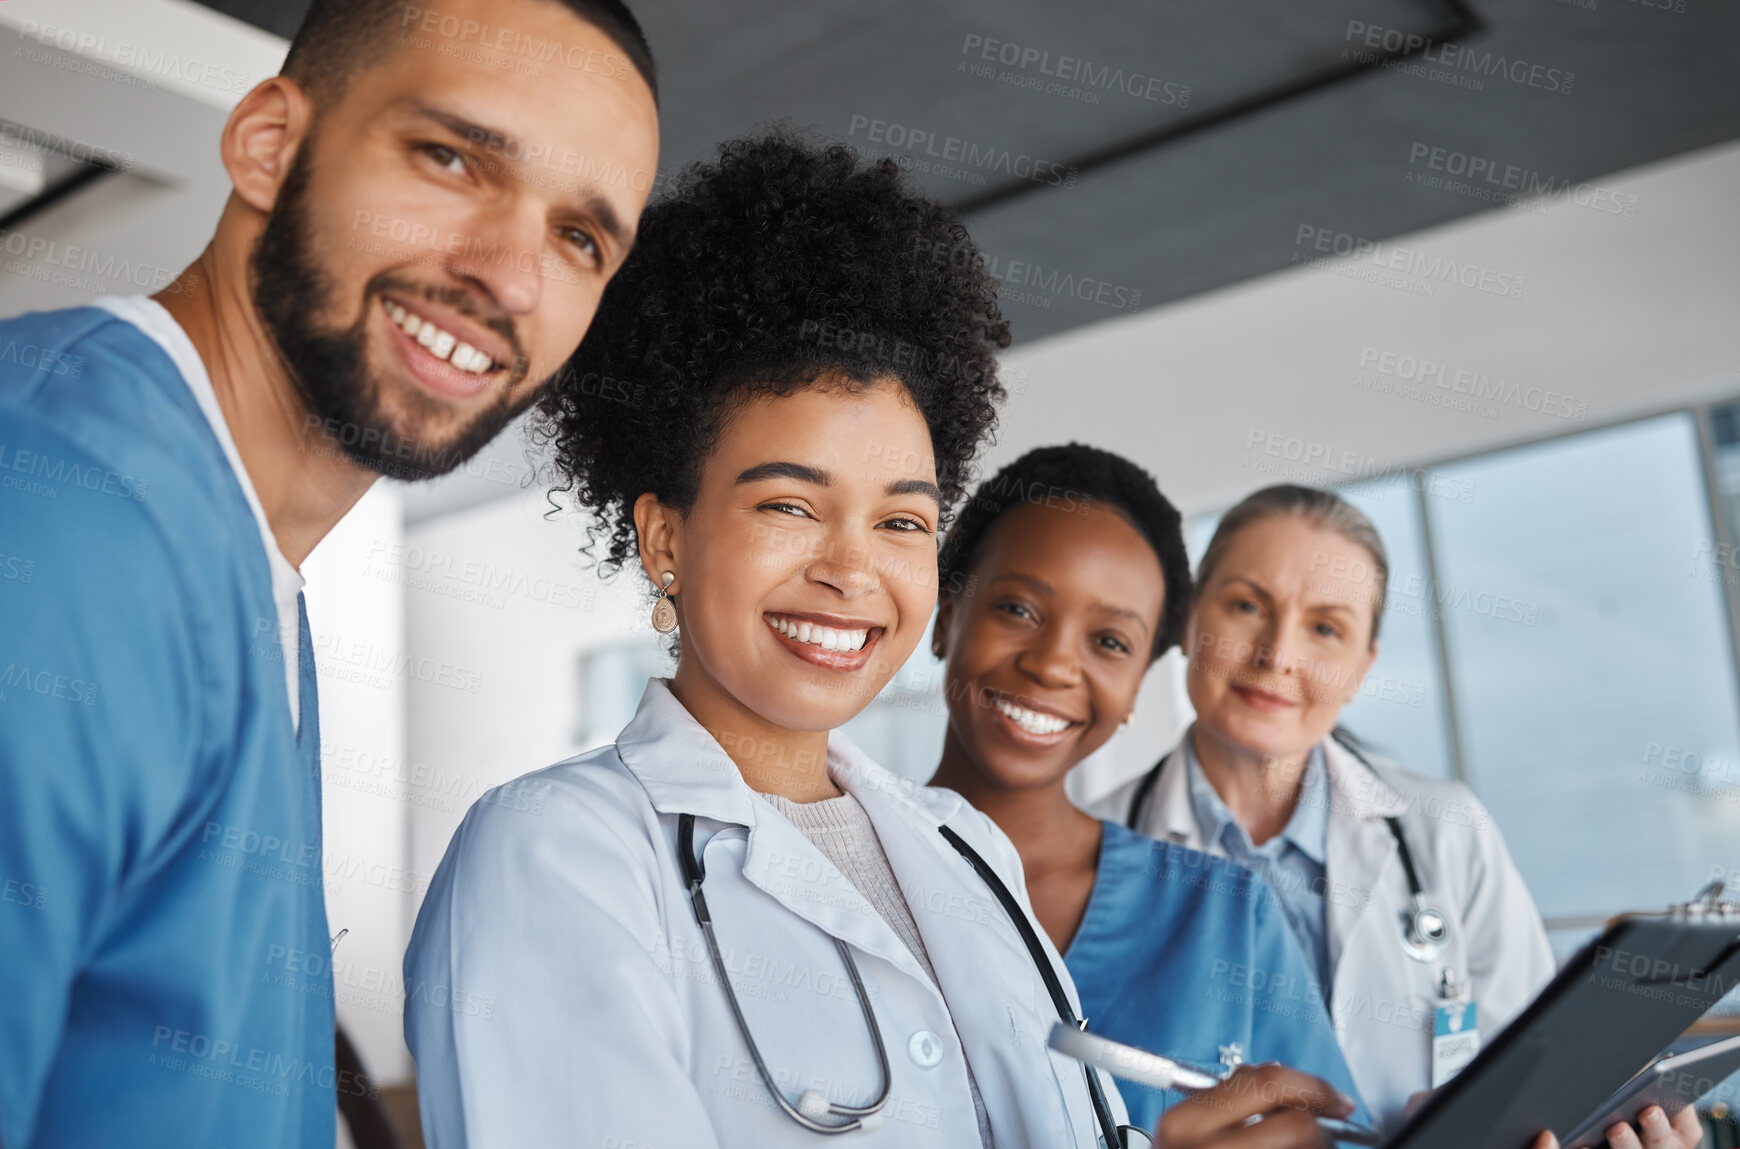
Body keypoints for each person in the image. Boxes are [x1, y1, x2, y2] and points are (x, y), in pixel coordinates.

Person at [403, 134, 1356, 1149]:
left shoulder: (962, 849)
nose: (853, 571)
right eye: (789, 505)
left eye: (902, 522)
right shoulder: (556, 851)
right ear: (665, 536)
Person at [0, 0, 659, 1144]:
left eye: (579, 239)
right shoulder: (55, 510)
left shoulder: (253, 571)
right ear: (270, 144)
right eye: (452, 158)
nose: (508, 275)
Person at [1087, 484, 1703, 1149]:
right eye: (1245, 605)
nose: (1279, 654)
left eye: (1325, 627)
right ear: (1188, 617)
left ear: (1361, 667)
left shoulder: (1447, 830)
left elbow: (1538, 1084)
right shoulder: (1086, 854)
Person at [925, 444, 1374, 1136]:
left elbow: (1342, 1134)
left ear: (1137, 684)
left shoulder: (1227, 913)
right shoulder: (825, 876)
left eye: (1109, 642)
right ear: (946, 612)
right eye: (1017, 607)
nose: (1051, 664)